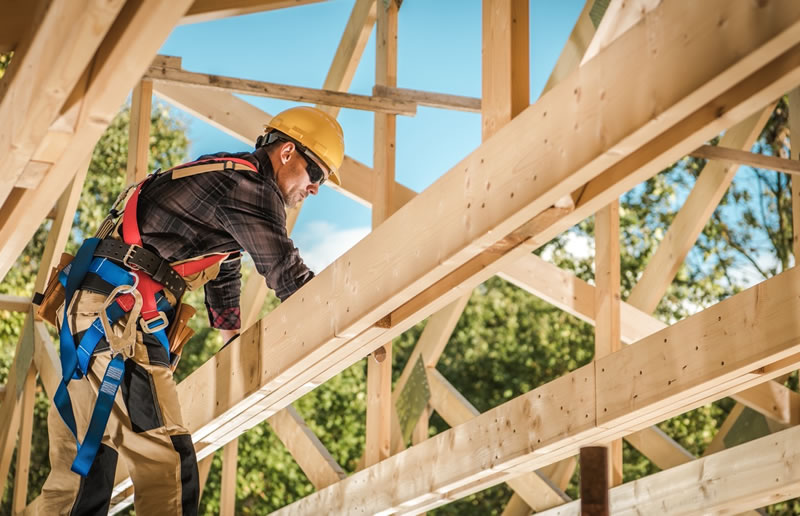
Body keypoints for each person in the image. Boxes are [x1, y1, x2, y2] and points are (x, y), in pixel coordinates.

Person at [38, 106, 344, 515]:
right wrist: (340, 313)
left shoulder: (220, 174)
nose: (315, 188)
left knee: (82, 474)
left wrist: (229, 335)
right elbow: (287, 274)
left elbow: (225, 261)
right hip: (118, 323)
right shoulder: (252, 189)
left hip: (89, 317)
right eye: (317, 174)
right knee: (169, 464)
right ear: (287, 152)